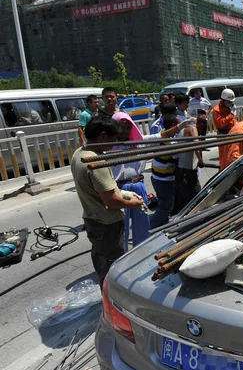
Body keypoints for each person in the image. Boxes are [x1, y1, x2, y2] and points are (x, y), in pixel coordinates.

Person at [70, 116, 144, 287]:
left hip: (92, 220)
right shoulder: (97, 163)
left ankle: (106, 292)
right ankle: (113, 300)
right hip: (107, 224)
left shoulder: (79, 153)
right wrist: (133, 204)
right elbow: (111, 202)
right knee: (114, 266)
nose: (114, 143)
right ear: (102, 136)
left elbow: (103, 191)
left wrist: (124, 194)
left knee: (101, 261)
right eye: (113, 139)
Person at [111, 112, 192, 247]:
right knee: (122, 226)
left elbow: (162, 135)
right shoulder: (108, 147)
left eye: (128, 126)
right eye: (120, 126)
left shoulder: (139, 142)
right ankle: (122, 255)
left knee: (142, 223)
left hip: (138, 185)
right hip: (120, 188)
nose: (125, 130)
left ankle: (140, 251)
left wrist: (180, 127)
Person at [149, 113, 181, 229]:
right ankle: (149, 226)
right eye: (178, 126)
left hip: (157, 177)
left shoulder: (161, 135)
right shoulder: (170, 142)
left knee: (164, 204)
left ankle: (163, 224)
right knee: (166, 206)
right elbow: (177, 157)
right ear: (173, 125)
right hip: (164, 179)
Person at [213, 88, 238, 166]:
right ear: (223, 100)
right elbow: (221, 123)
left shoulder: (228, 107)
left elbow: (233, 121)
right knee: (224, 157)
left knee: (232, 154)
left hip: (232, 132)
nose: (231, 103)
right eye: (229, 101)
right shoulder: (216, 110)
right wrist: (231, 114)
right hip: (223, 134)